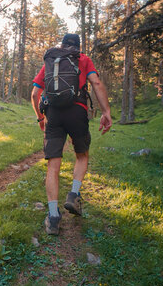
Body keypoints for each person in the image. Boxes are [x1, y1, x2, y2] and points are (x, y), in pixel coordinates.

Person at [30, 33, 112, 235]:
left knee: (53, 165)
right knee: (82, 155)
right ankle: (74, 194)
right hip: (77, 111)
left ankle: (53, 217)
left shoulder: (52, 61)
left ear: (62, 45)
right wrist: (106, 112)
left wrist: (41, 118)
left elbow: (34, 93)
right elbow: (97, 84)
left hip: (53, 113)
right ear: (78, 47)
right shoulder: (83, 59)